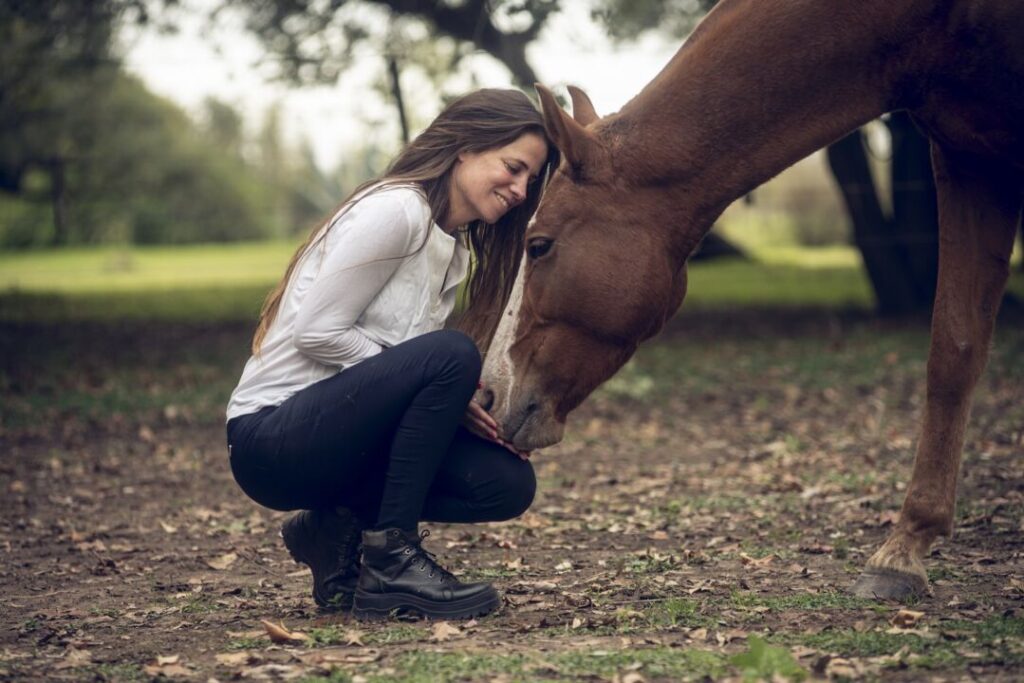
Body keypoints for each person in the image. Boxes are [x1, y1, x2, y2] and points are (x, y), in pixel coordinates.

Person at [225, 89, 558, 621]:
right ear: (465, 148)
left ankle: (333, 529)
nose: (520, 190)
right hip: (273, 438)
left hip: (339, 440)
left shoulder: (454, 248)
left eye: (529, 181)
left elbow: (395, 369)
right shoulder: (398, 209)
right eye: (513, 168)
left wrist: (441, 397)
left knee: (504, 483)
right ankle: (392, 563)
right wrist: (430, 371)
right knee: (452, 353)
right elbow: (318, 332)